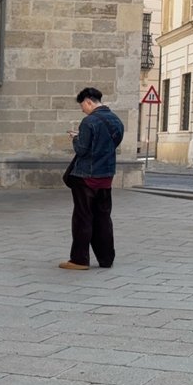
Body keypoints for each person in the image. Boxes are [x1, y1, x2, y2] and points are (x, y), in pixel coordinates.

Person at [60, 85, 123, 270]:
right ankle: (106, 259)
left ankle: (79, 260)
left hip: (86, 177)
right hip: (106, 176)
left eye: (82, 106)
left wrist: (75, 138)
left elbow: (82, 149)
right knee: (103, 218)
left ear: (88, 102)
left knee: (83, 218)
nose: (82, 110)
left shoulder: (89, 122)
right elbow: (108, 145)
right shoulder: (116, 120)